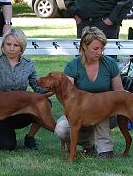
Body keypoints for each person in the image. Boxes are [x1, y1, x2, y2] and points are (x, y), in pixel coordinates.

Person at [54, 26, 125, 159]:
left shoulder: (110, 64)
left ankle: (105, 149)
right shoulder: (73, 66)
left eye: (102, 48)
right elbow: (66, 95)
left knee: (100, 107)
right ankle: (90, 143)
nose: (100, 52)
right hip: (80, 111)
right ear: (84, 47)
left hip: (106, 111)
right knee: (61, 129)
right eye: (95, 49)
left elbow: (120, 93)